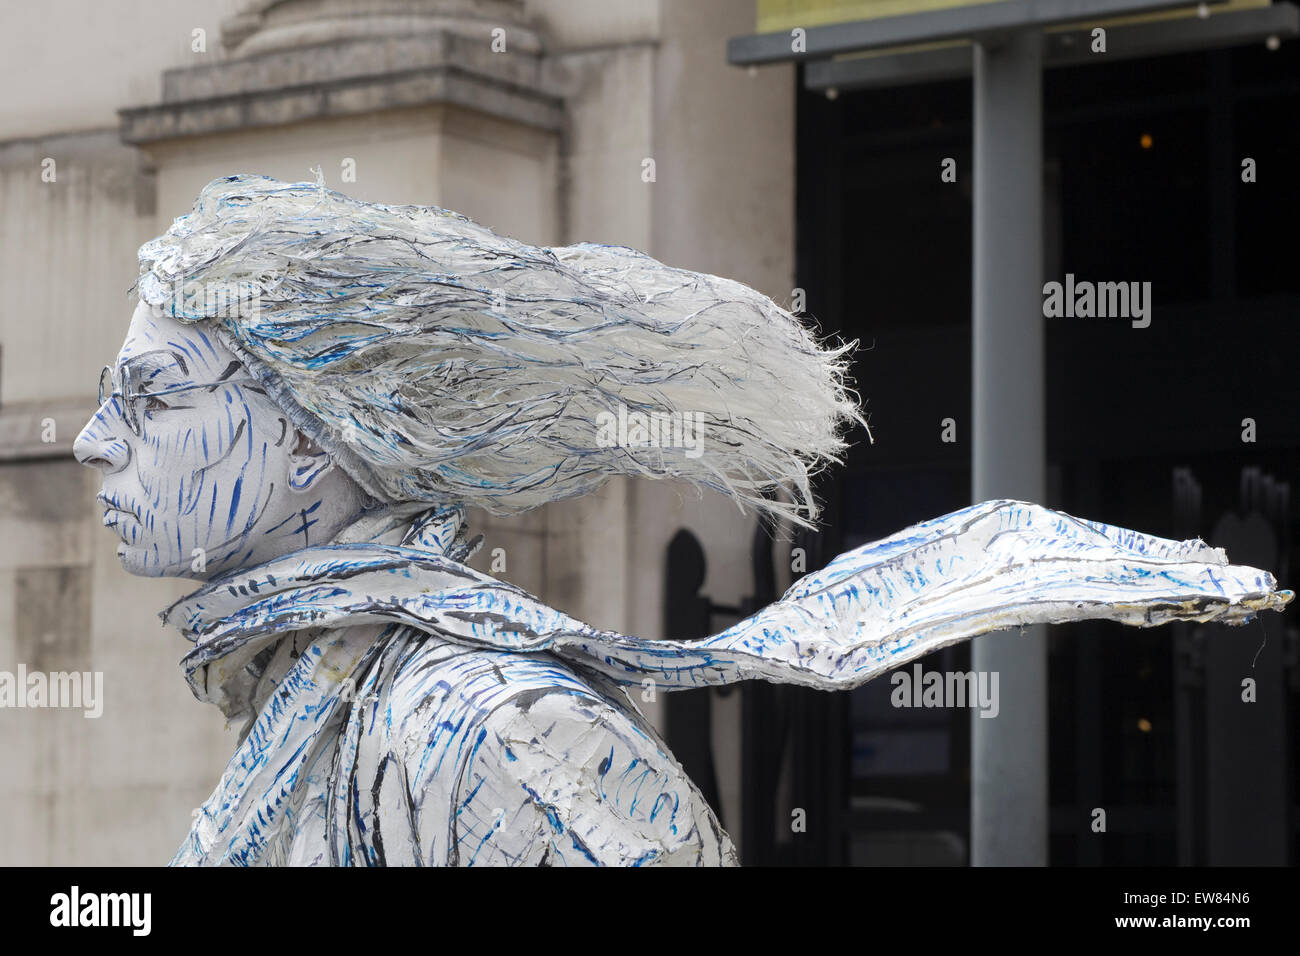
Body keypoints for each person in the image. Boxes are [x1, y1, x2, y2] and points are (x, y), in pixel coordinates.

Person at [74, 174, 1290, 866]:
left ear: (301, 443)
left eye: (152, 396)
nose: (92, 438)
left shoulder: (491, 726)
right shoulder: (312, 705)